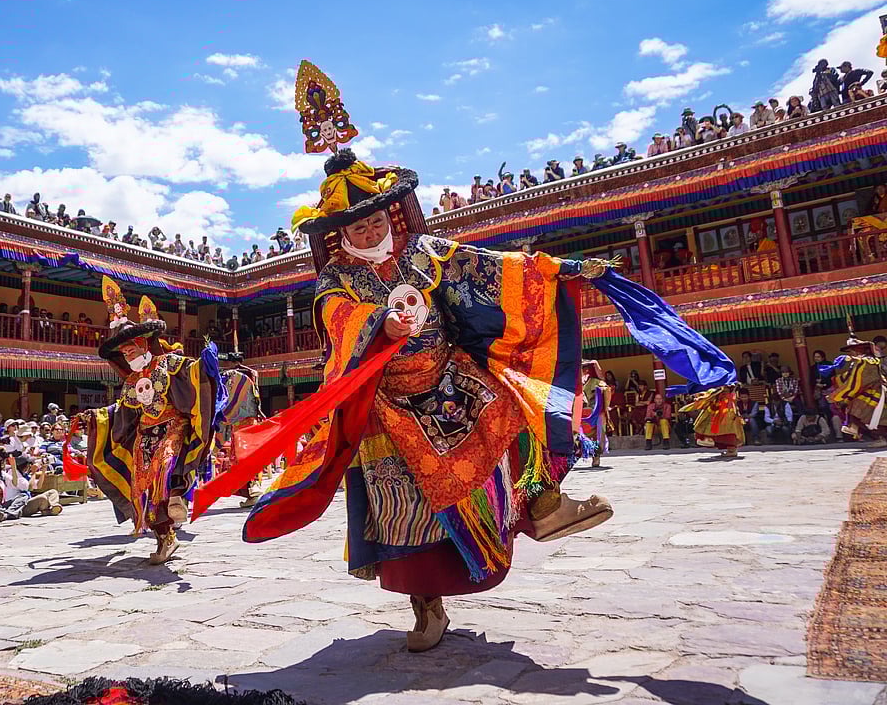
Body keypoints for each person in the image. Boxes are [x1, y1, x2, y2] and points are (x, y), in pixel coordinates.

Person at [202, 80, 731, 654]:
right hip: (387, 404)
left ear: (392, 214)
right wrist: (382, 323)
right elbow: (337, 321)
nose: (370, 231)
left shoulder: (427, 253)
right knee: (408, 511)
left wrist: (565, 268)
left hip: (453, 378)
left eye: (377, 219)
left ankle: (544, 506)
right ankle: (425, 605)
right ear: (340, 235)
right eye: (357, 227)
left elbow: (495, 268)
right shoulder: (336, 279)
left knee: (514, 408)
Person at [70, 276, 221, 564]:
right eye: (124, 354)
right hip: (144, 436)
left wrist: (206, 362)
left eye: (131, 350)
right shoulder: (130, 384)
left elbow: (192, 375)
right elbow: (122, 414)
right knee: (144, 489)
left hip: (173, 428)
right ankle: (165, 537)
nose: (128, 357)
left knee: (164, 469)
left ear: (143, 344)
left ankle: (178, 496)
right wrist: (95, 418)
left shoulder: (168, 364)